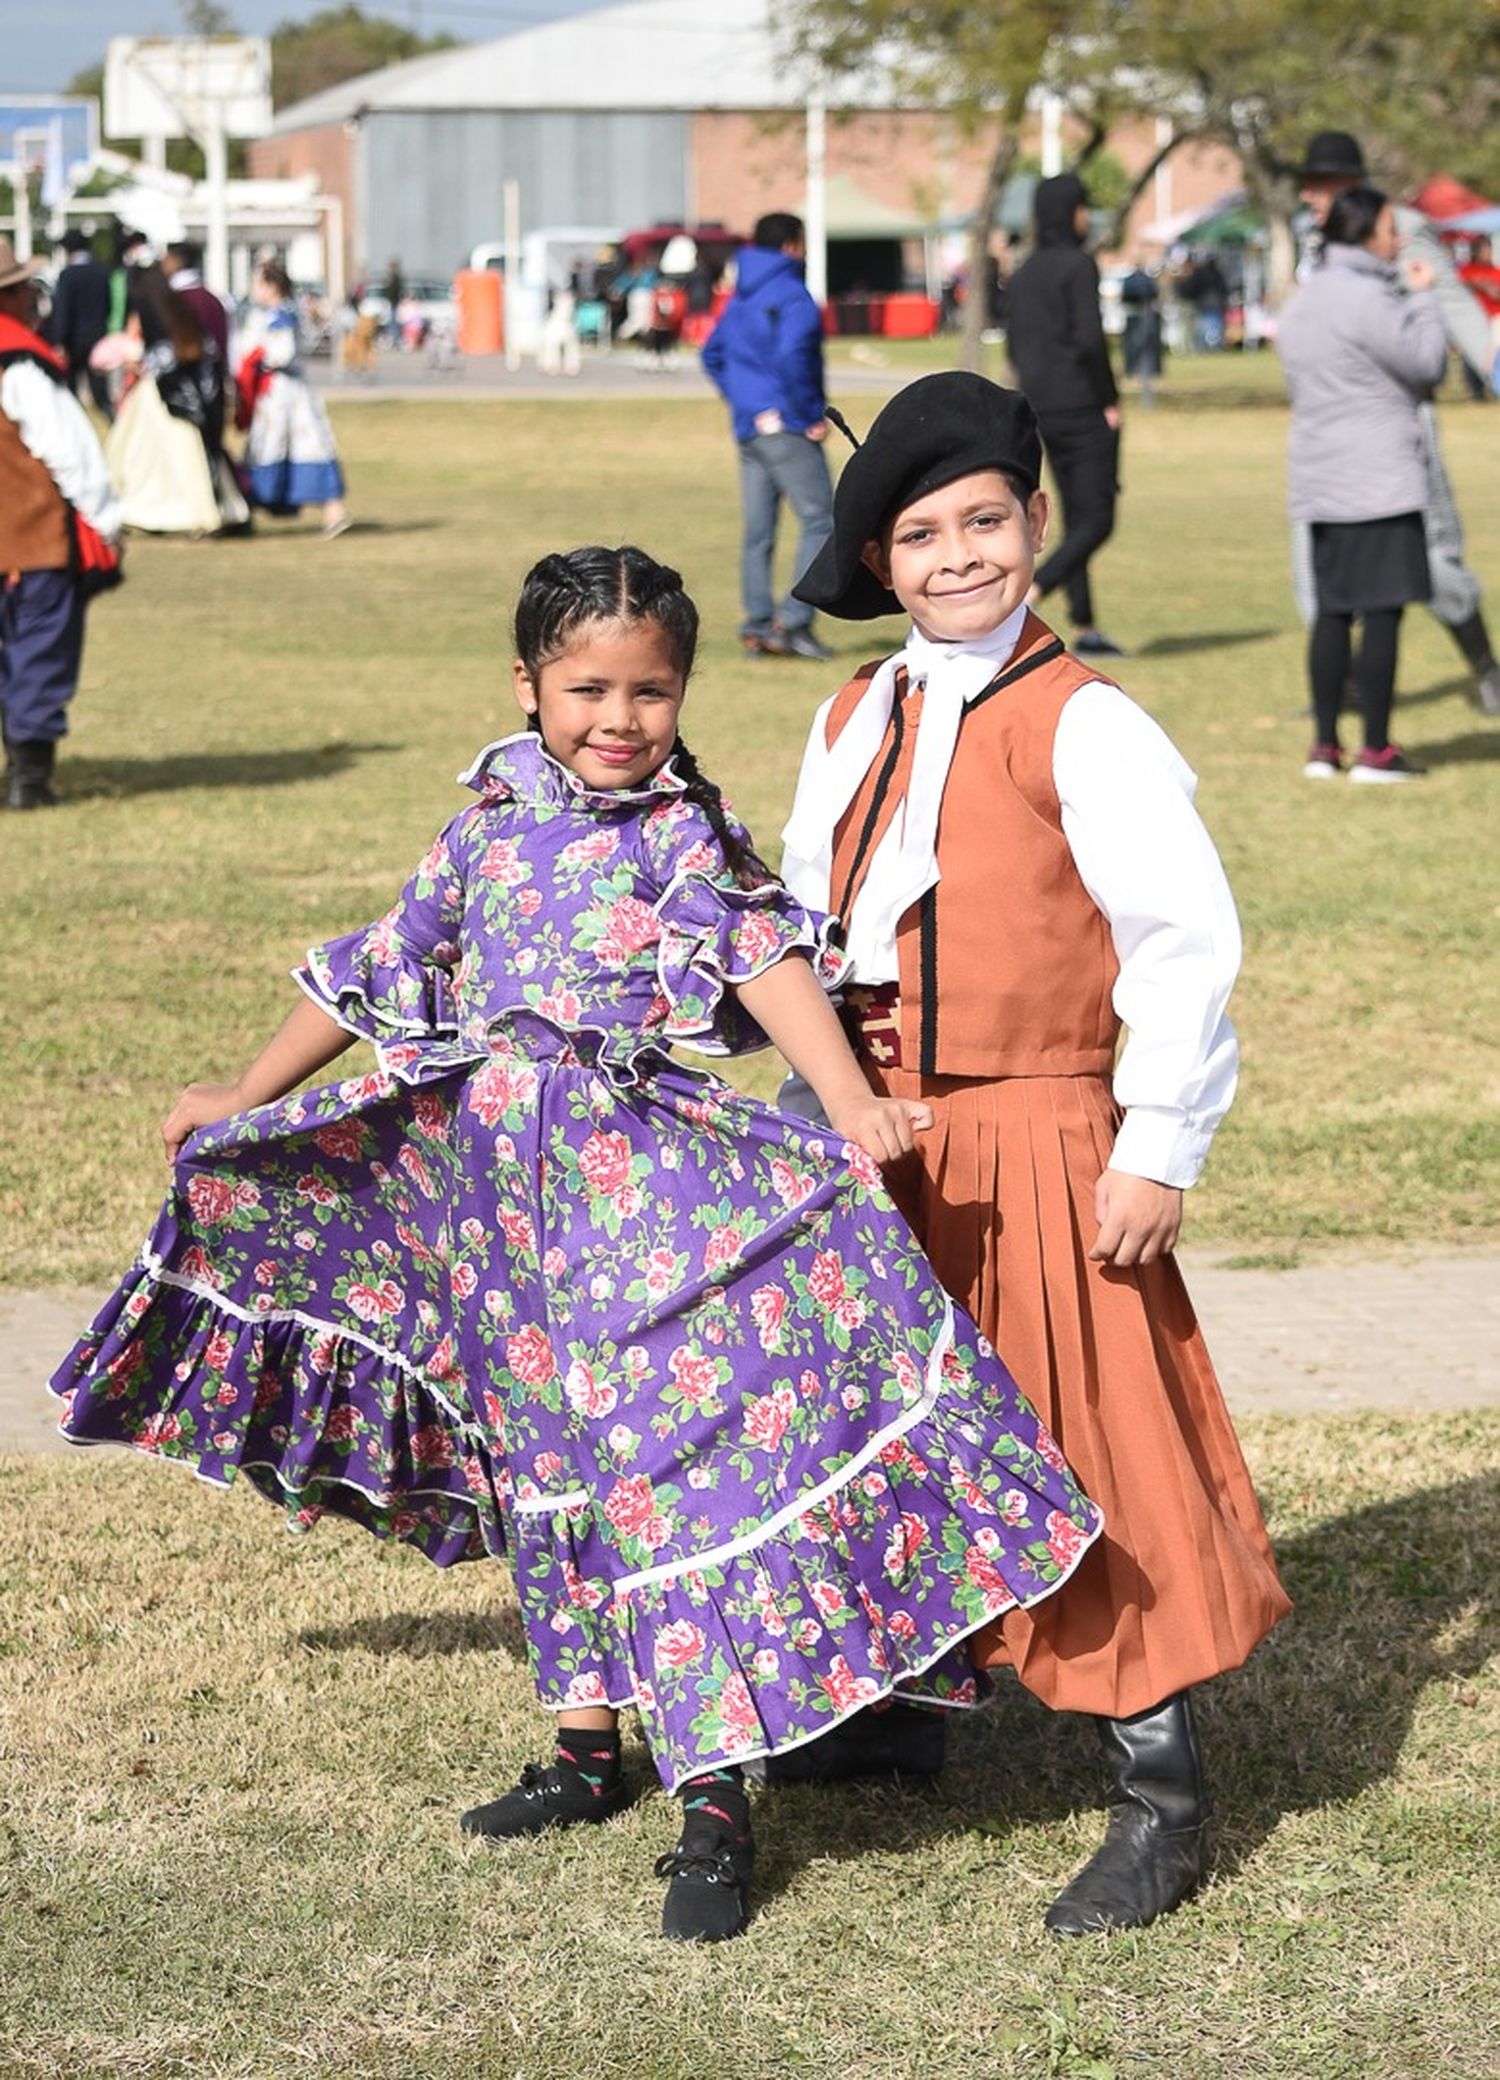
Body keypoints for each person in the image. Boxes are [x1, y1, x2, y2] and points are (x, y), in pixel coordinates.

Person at [50, 543, 1103, 1945]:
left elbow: (764, 961)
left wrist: (851, 1103)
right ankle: (586, 1748)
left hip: (644, 1206)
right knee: (543, 1459)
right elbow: (385, 963)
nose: (621, 718)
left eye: (652, 691)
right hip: (497, 1215)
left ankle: (718, 1797)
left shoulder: (676, 834)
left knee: (667, 1471)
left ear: (682, 693)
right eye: (589, 688)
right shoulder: (483, 829)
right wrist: (245, 1095)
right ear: (530, 684)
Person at [783, 373, 1291, 1935]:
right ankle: (912, 1699)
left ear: (1036, 525)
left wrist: (1159, 1144)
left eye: (984, 523)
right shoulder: (856, 708)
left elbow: (1185, 947)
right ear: (882, 561)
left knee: (1087, 1430)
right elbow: (807, 919)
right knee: (889, 1423)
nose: (956, 557)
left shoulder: (1091, 722)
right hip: (879, 1135)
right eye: (921, 533)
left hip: (1043, 1132)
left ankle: (1162, 1793)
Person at [1296, 131, 1500, 716]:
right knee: (1319, 563)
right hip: (1329, 427)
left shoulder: (1402, 227)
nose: (1308, 194)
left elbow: (1453, 302)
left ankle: (1484, 663)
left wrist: (1491, 360)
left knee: (1434, 558)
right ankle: (1339, 695)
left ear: (1350, 186)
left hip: (1397, 425)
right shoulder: (1315, 242)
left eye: (1320, 183)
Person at [1276, 188, 1445, 783]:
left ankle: (1325, 746)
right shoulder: (1372, 298)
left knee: (1331, 612)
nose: (1397, 240)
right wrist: (1424, 299)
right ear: (1365, 234)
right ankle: (1376, 749)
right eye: (1389, 229)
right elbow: (1427, 365)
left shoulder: (1305, 299)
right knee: (1381, 612)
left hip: (1320, 473)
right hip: (1378, 475)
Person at [0, 237, 122, 808]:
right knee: (38, 654)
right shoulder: (21, 364)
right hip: (30, 541)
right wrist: (105, 522)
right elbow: (71, 453)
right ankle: (29, 778)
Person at [701, 211, 835, 661]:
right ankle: (793, 623)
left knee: (759, 532)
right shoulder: (791, 293)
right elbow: (795, 354)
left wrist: (742, 399)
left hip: (749, 427)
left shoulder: (740, 295)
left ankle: (758, 623)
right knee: (822, 520)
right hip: (787, 425)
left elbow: (712, 353)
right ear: (793, 245)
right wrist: (809, 412)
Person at [1004, 174, 1124, 658]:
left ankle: (1086, 625)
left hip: (1040, 406)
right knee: (1098, 520)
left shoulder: (1025, 270)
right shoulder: (1077, 266)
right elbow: (1090, 338)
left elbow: (1014, 341)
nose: (1085, 217)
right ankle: (1031, 594)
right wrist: (1108, 397)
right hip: (1080, 402)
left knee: (1075, 514)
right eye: (1082, 208)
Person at [106, 263, 249, 536]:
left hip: (163, 394)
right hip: (191, 394)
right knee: (193, 456)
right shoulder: (179, 306)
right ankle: (219, 508)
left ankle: (151, 511)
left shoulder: (150, 306)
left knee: (142, 456)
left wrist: (141, 364)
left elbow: (159, 354)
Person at [236, 260, 350, 538]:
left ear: (271, 286)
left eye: (258, 282)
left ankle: (332, 512)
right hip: (280, 392)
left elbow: (282, 352)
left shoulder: (280, 315)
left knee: (289, 446)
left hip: (282, 394)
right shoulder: (278, 313)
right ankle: (246, 512)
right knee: (292, 446)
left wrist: (259, 358)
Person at [43, 229, 113, 419]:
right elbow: (108, 305)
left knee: (72, 393)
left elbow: (63, 311)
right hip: (98, 337)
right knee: (101, 393)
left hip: (73, 341)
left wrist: (60, 341)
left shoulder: (68, 275)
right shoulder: (102, 271)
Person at [162, 239, 231, 371]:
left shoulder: (176, 300)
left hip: (185, 380)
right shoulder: (214, 300)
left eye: (167, 259)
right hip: (214, 379)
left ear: (176, 262)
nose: (163, 264)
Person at [1119, 260, 1164, 408]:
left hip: (1136, 317)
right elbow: (1154, 294)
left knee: (1136, 347)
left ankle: (1134, 370)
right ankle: (1142, 372)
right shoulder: (1147, 280)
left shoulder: (1129, 281)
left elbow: (1124, 297)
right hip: (1145, 318)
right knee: (1144, 350)